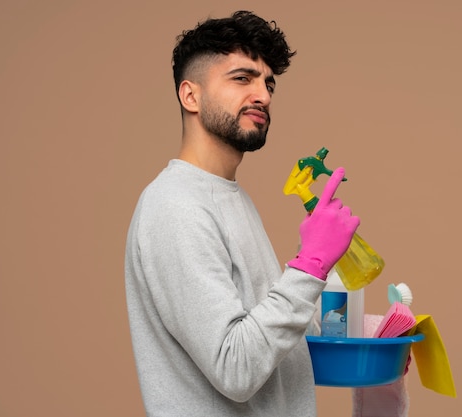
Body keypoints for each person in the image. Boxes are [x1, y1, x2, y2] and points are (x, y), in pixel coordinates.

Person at [124, 10, 360, 416]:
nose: (264, 95)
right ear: (190, 95)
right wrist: (310, 265)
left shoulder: (229, 197)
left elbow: (269, 346)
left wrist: (372, 345)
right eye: (242, 78)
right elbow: (235, 369)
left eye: (268, 83)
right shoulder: (175, 206)